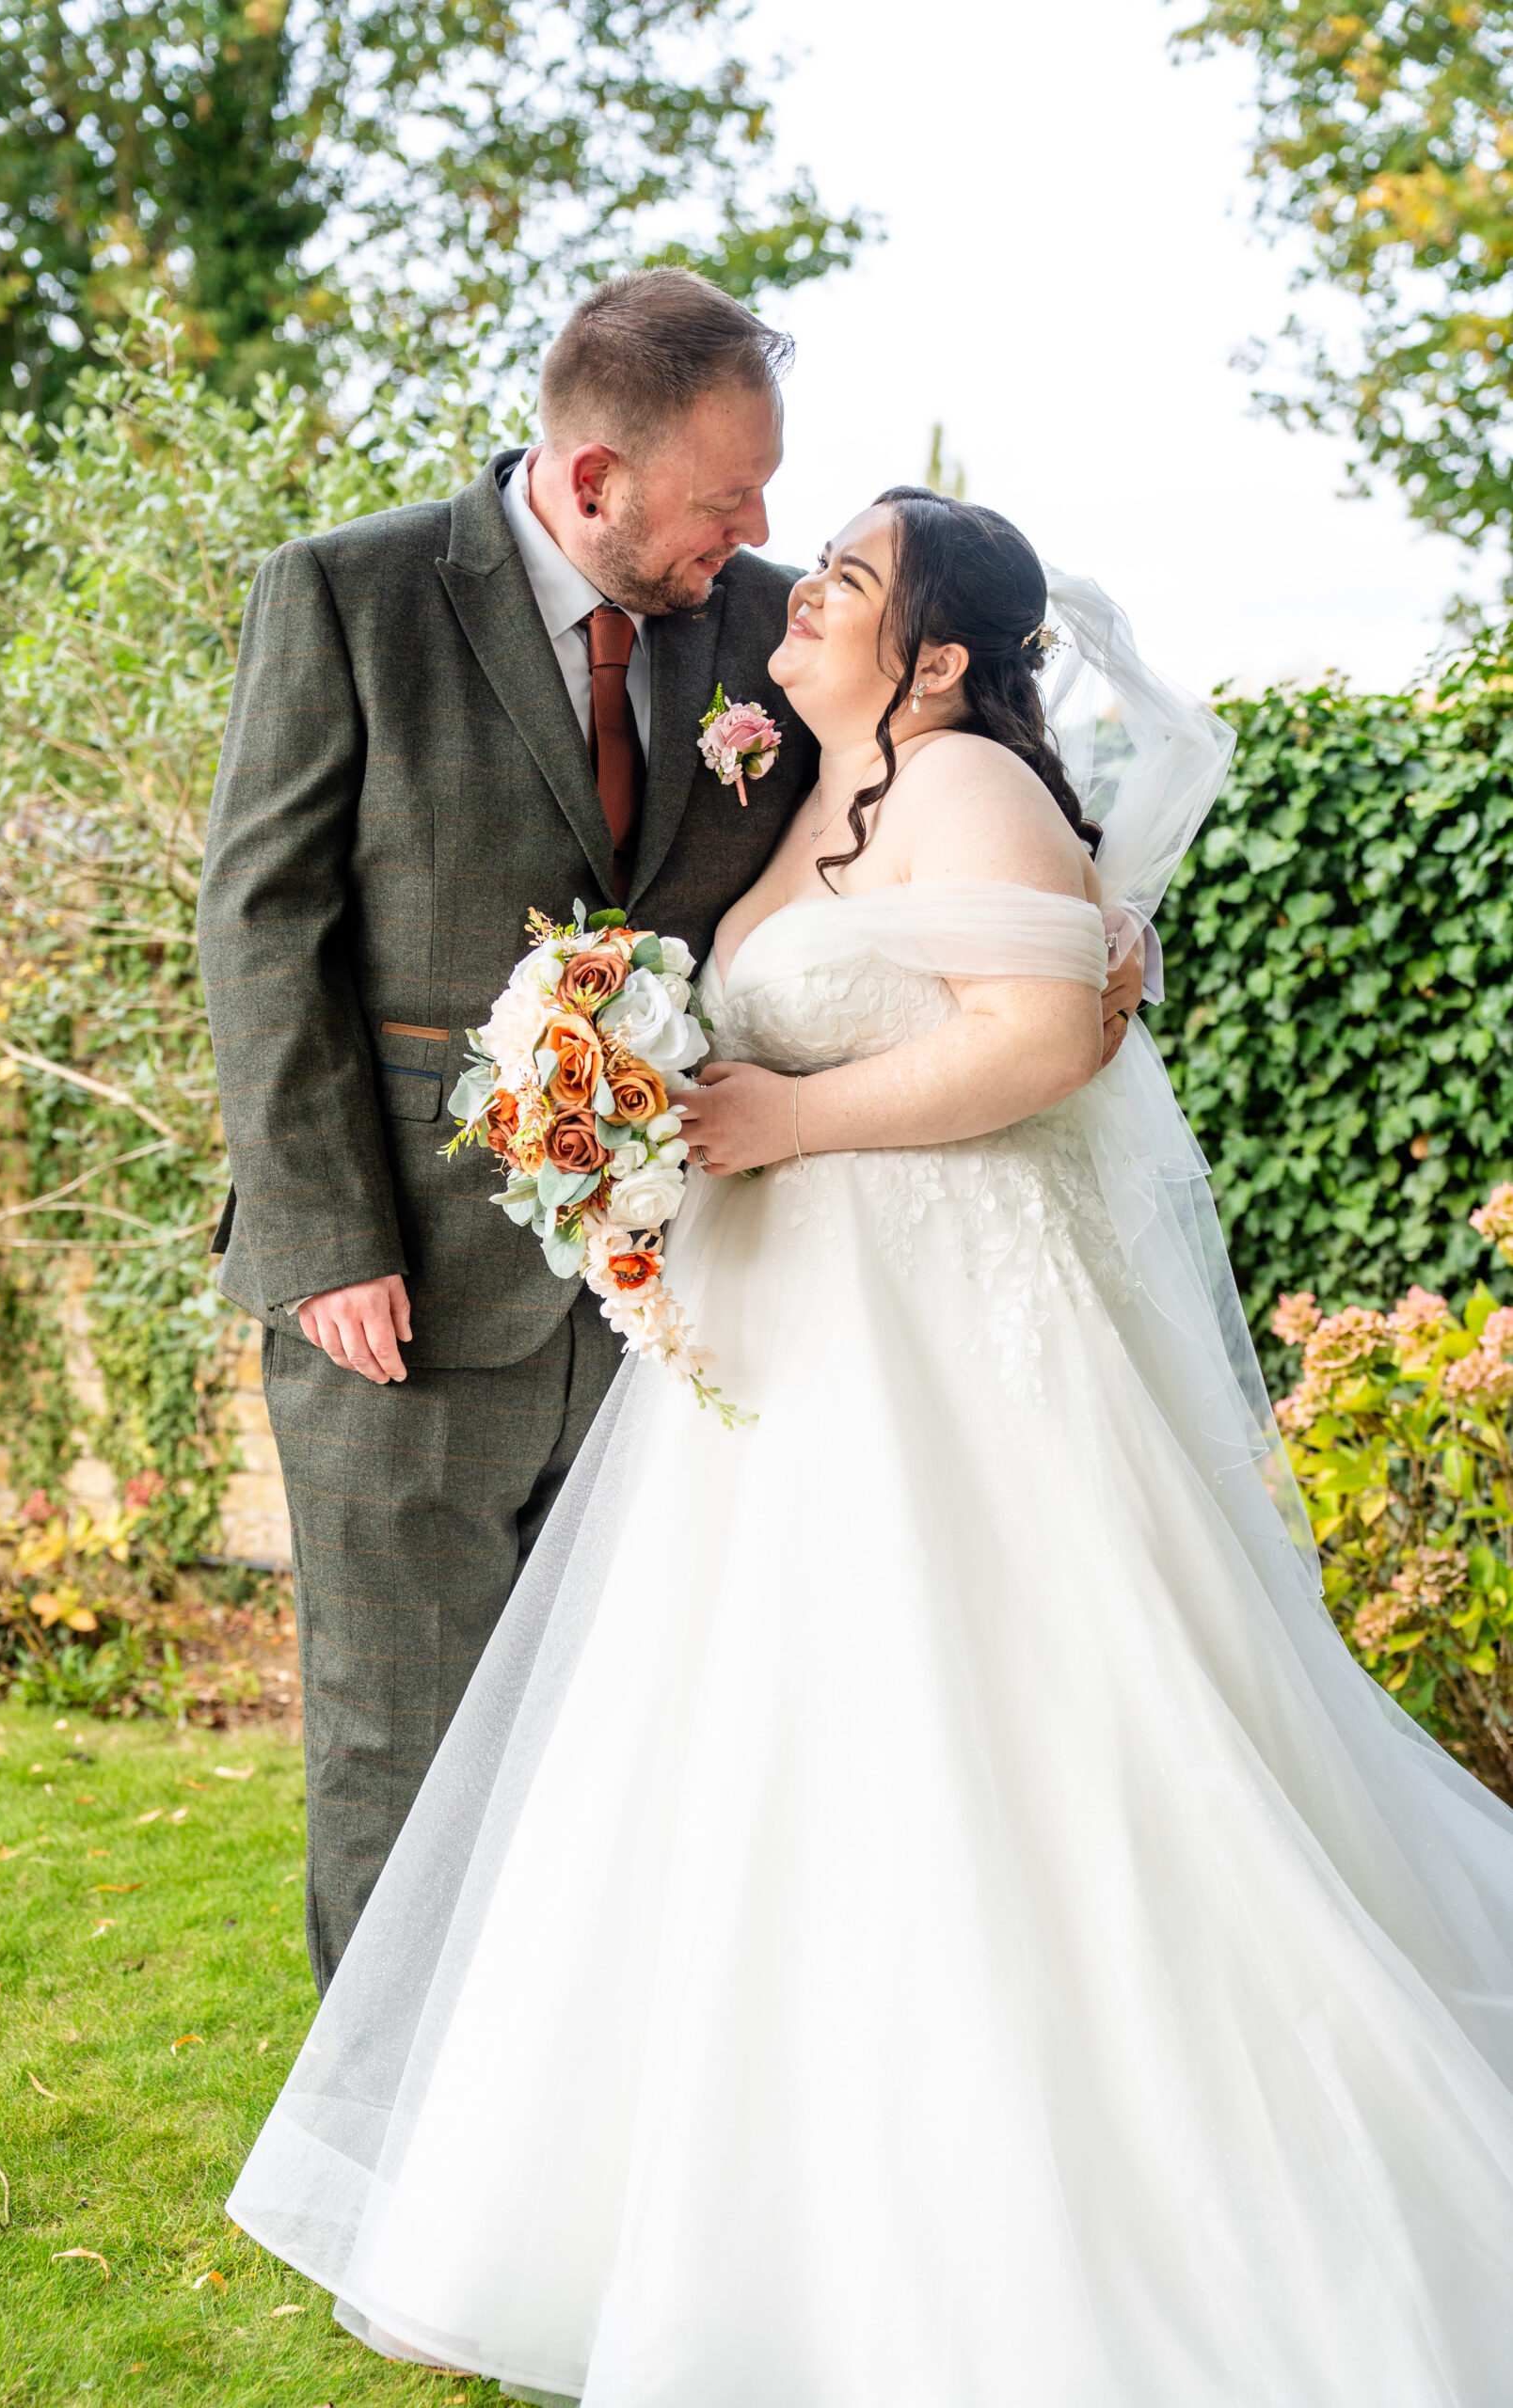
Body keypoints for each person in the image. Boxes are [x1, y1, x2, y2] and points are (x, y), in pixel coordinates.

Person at [229, 489, 1513, 2407]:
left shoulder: (971, 782)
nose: (792, 594)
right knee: (750, 1754)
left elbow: (1040, 1040)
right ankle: (701, 2210)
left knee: (984, 1734)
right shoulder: (811, 796)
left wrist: (774, 1126)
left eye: (836, 578)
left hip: (944, 1340)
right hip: (784, 1344)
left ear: (926, 653)